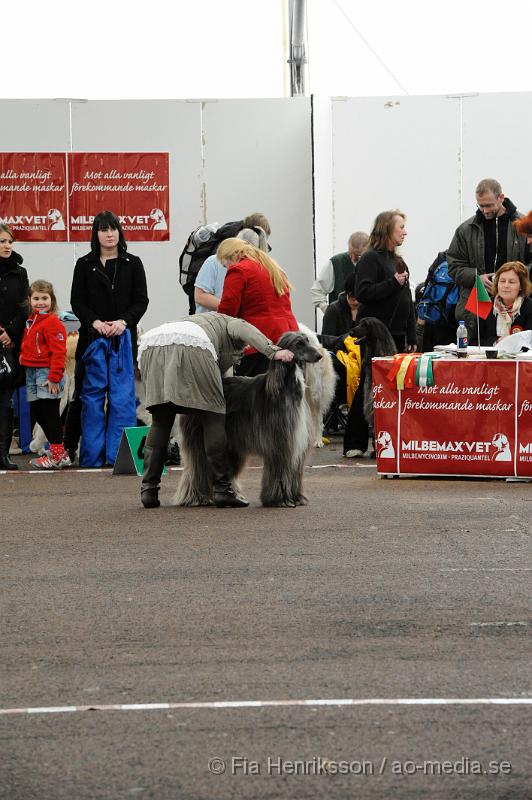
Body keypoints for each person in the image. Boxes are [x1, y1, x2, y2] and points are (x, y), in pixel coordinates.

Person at [138, 312, 294, 509]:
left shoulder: (198, 321)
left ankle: (149, 490)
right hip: (193, 345)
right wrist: (273, 351)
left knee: (161, 420)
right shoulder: (230, 322)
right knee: (213, 415)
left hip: (153, 344)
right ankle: (222, 489)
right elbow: (244, 329)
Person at [68, 211, 149, 464]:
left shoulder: (133, 262)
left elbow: (141, 300)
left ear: (119, 232)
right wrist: (95, 322)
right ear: (96, 233)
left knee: (122, 399)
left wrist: (123, 322)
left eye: (113, 229)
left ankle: (121, 458)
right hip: (91, 340)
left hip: (123, 339)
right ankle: (89, 457)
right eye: (104, 229)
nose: (109, 234)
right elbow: (77, 301)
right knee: (90, 399)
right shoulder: (84, 264)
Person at [447, 178, 531, 341]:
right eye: (480, 205)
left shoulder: (523, 226)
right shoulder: (465, 230)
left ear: (501, 197)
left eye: (489, 205)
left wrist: (514, 278)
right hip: (477, 307)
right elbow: (453, 265)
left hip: (518, 309)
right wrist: (476, 277)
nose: (484, 210)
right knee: (477, 356)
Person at [217, 238, 298, 376]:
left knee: (249, 395)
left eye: (225, 265)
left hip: (258, 343)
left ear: (231, 256)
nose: (227, 269)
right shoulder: (272, 266)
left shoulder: (238, 270)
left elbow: (227, 312)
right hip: (289, 338)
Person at [19, 280, 70, 469]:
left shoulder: (53, 322)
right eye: (36, 298)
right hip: (31, 372)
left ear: (52, 300)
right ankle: (60, 453)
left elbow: (59, 351)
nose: (40, 302)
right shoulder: (31, 321)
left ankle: (56, 455)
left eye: (45, 298)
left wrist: (54, 376)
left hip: (47, 373)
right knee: (37, 412)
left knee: (49, 414)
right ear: (30, 300)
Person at [354, 210, 416, 352]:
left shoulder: (398, 261)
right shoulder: (369, 258)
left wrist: (412, 334)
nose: (405, 232)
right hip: (377, 337)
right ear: (387, 229)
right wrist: (392, 283)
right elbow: (362, 293)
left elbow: (406, 297)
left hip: (399, 335)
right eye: (401, 227)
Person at [0, 224, 29, 470]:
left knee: (5, 401)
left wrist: (10, 332)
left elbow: (24, 307)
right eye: (2, 241)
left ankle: (3, 453)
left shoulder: (21, 273)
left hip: (8, 345)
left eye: (10, 241)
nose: (7, 246)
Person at [193, 226, 269, 314]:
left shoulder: (253, 268)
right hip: (211, 321)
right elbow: (199, 296)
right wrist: (231, 306)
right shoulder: (213, 262)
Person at [472, 261, 532, 346]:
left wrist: (511, 343)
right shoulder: (485, 304)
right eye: (502, 281)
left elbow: (530, 342)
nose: (506, 285)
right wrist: (497, 341)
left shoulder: (529, 307)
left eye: (511, 282)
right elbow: (473, 342)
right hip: (490, 357)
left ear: (521, 286)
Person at [311, 232, 369, 313]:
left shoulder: (373, 264)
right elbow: (318, 290)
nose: (352, 257)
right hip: (340, 320)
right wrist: (327, 310)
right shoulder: (336, 262)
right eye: (350, 252)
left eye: (357, 255)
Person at [321, 272, 359, 338]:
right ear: (347, 293)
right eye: (352, 298)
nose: (356, 302)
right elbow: (327, 339)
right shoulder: (333, 310)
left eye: (359, 298)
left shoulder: (366, 309)